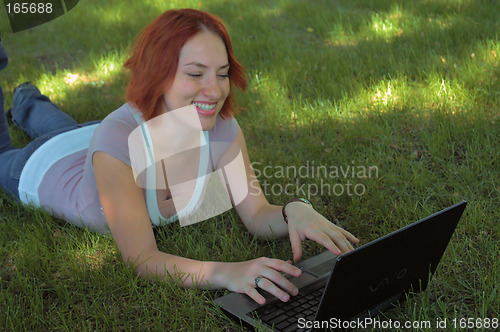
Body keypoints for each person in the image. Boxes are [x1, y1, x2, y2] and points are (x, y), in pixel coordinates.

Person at [0, 9, 359, 305]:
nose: (215, 90)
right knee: (22, 148)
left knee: (68, 127)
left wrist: (292, 210)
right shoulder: (118, 141)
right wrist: (225, 271)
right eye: (194, 74)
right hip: (41, 167)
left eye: (222, 74)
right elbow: (143, 258)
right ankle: (25, 103)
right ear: (158, 73)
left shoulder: (222, 126)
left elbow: (256, 214)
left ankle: (27, 99)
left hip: (89, 138)